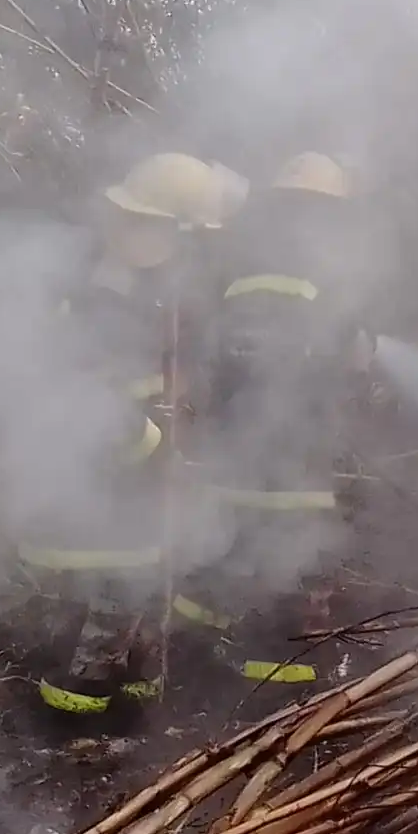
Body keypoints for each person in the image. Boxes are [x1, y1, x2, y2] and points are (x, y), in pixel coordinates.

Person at [13, 151, 248, 717]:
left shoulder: (156, 294)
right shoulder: (93, 295)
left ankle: (129, 730)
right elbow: (73, 399)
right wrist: (148, 443)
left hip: (139, 507)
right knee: (87, 655)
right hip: (96, 511)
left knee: (138, 633)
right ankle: (65, 749)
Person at [169, 151, 376, 687]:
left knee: (230, 549)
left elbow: (214, 350)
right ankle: (285, 683)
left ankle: (196, 654)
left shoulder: (243, 264)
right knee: (292, 563)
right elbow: (342, 356)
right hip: (296, 452)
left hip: (235, 446)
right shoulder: (325, 269)